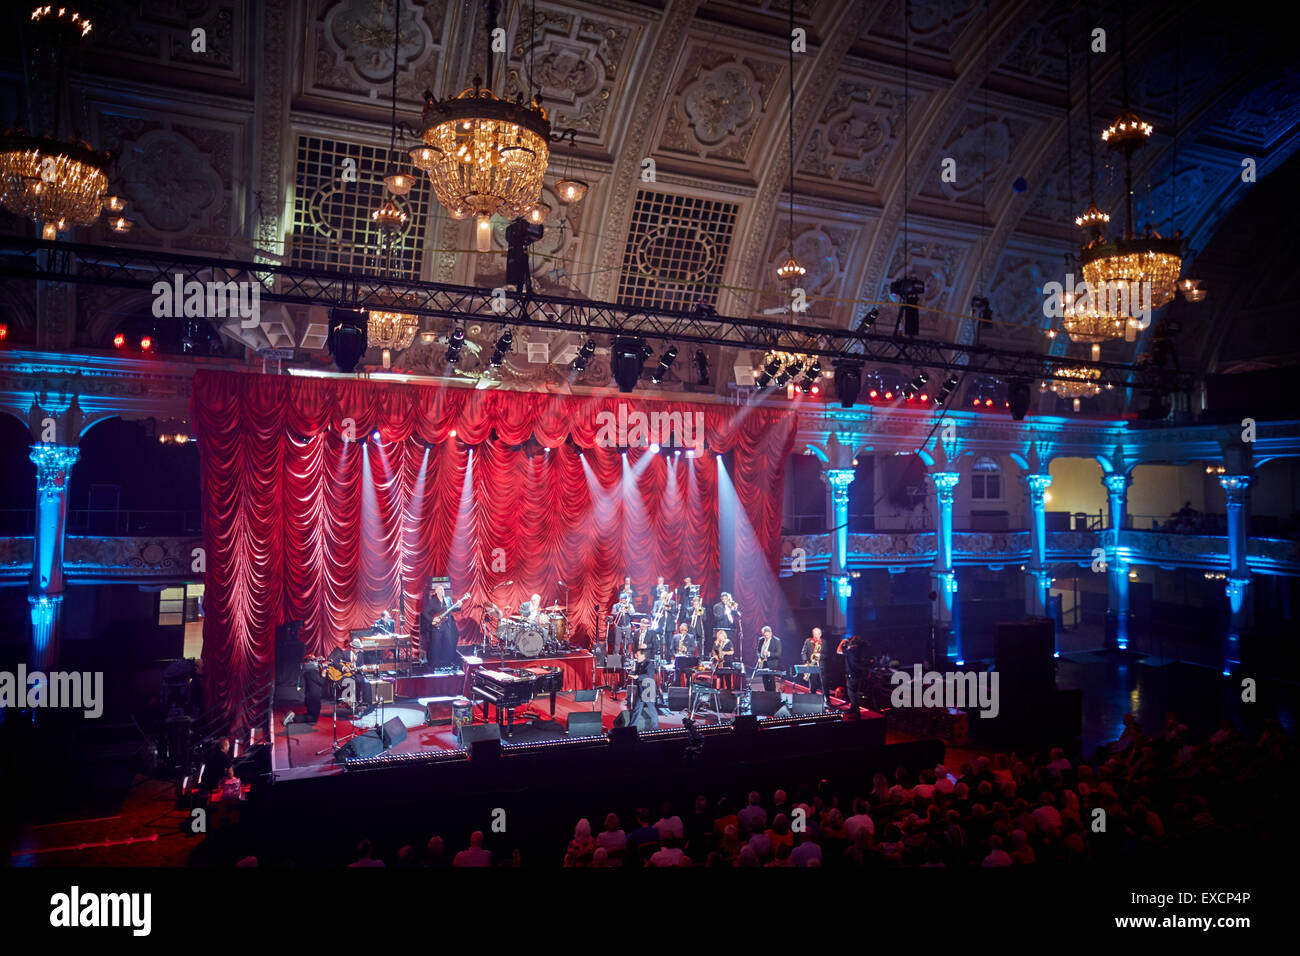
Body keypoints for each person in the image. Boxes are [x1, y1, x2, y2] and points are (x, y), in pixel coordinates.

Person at [628, 646, 660, 730]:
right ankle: (632, 727)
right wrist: (633, 671)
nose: (636, 657)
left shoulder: (649, 664)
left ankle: (656, 729)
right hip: (641, 689)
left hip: (648, 690)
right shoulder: (639, 663)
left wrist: (637, 676)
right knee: (637, 709)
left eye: (637, 655)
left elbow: (649, 675)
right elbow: (635, 674)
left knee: (652, 710)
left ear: (643, 656)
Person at [842, 635, 872, 718]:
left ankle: (856, 712)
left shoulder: (849, 651)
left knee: (851, 693)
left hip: (852, 675)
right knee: (854, 692)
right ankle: (853, 709)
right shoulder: (859, 650)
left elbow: (838, 650)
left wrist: (842, 642)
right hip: (858, 675)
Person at [756, 625, 782, 692]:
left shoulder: (777, 641)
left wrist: (769, 653)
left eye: (767, 636)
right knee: (765, 680)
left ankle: (773, 696)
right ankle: (766, 695)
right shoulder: (761, 640)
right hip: (763, 663)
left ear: (771, 633)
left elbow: (778, 654)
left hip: (772, 664)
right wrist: (759, 657)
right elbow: (758, 651)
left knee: (771, 681)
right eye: (764, 636)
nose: (766, 637)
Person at [801, 627, 825, 696]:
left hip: (821, 666)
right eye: (814, 634)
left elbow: (826, 654)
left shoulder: (824, 642)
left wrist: (819, 656)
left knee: (823, 685)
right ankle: (812, 698)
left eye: (817, 634)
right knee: (813, 685)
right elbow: (803, 652)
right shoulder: (808, 641)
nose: (816, 636)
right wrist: (805, 662)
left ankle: (825, 701)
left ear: (820, 634)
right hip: (811, 665)